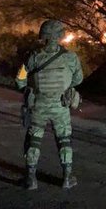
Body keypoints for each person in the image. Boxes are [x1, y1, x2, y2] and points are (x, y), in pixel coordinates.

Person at [16, 19, 83, 190]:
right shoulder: (70, 57)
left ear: (43, 36)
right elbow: (78, 79)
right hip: (61, 106)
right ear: (60, 36)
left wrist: (27, 88)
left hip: (39, 105)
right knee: (64, 140)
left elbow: (20, 79)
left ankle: (31, 179)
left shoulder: (33, 57)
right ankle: (67, 177)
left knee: (34, 140)